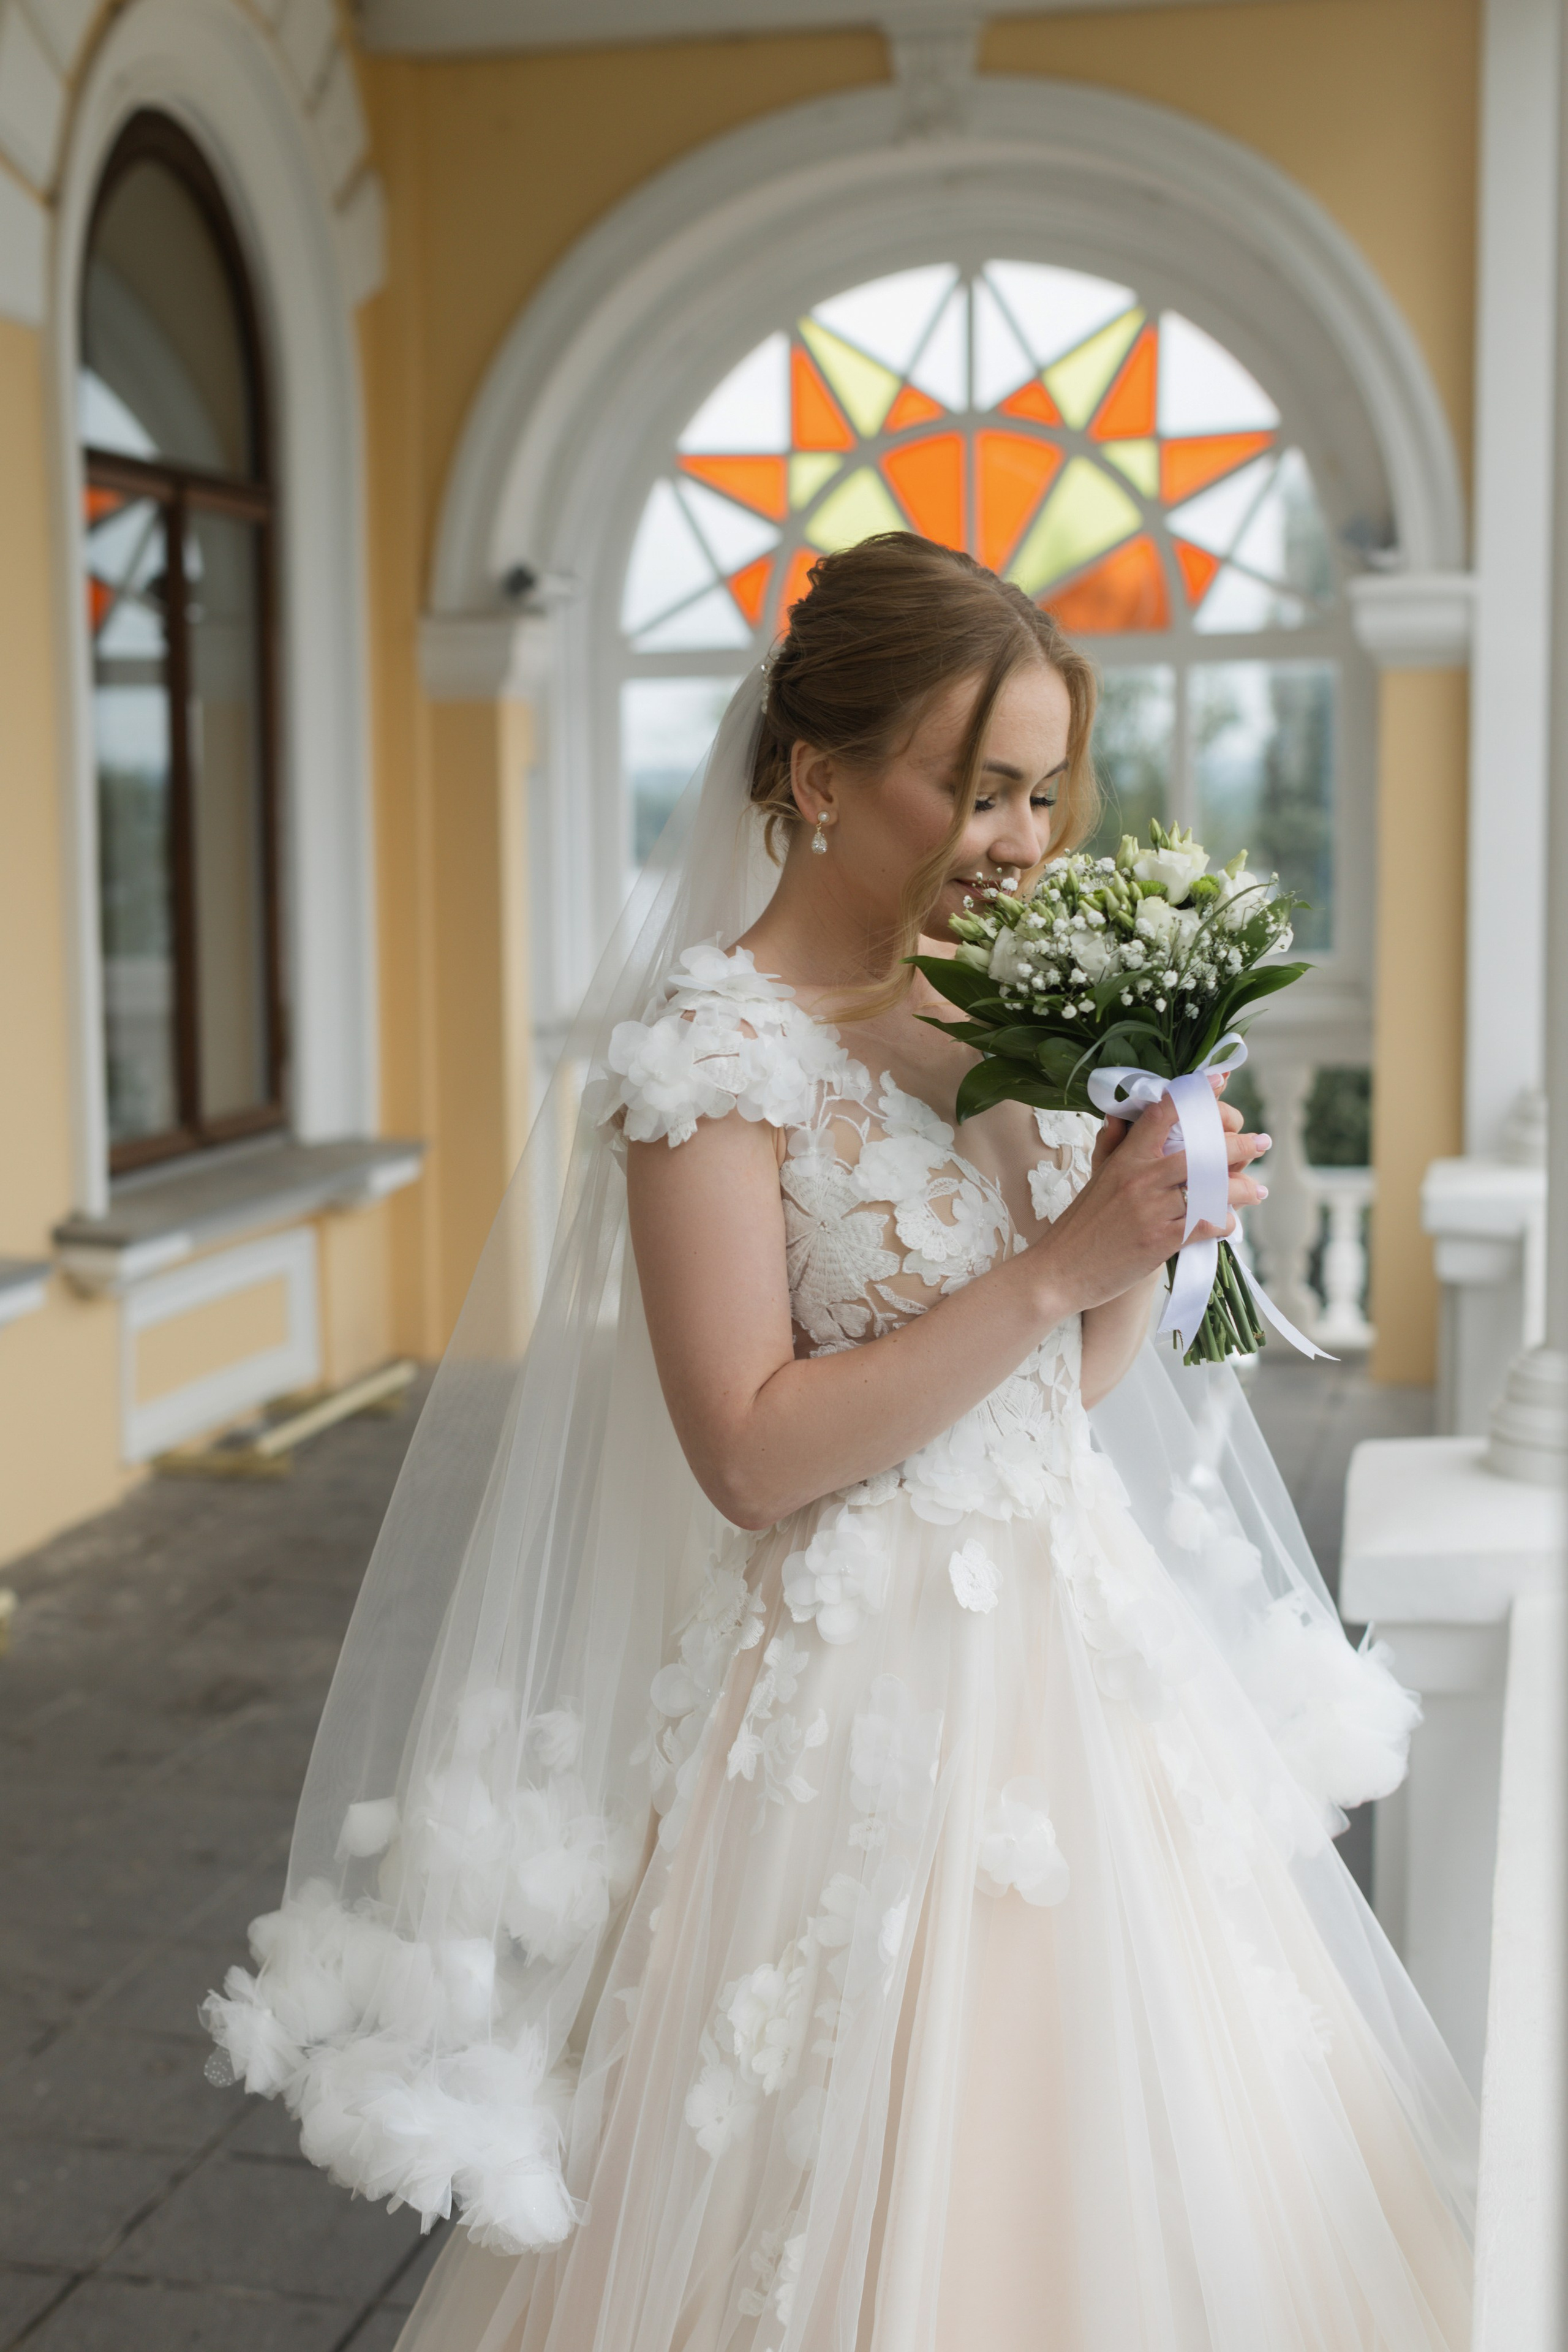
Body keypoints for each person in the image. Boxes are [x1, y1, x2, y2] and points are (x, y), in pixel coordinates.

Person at [205, 535, 1475, 2351]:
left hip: (1083, 1676)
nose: (1022, 839)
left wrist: (1152, 1221)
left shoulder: (993, 1009)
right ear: (817, 778)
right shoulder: (709, 1056)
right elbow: (746, 1447)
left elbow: (1069, 1394)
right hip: (850, 1703)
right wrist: (1058, 1268)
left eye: (1042, 792)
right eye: (975, 787)